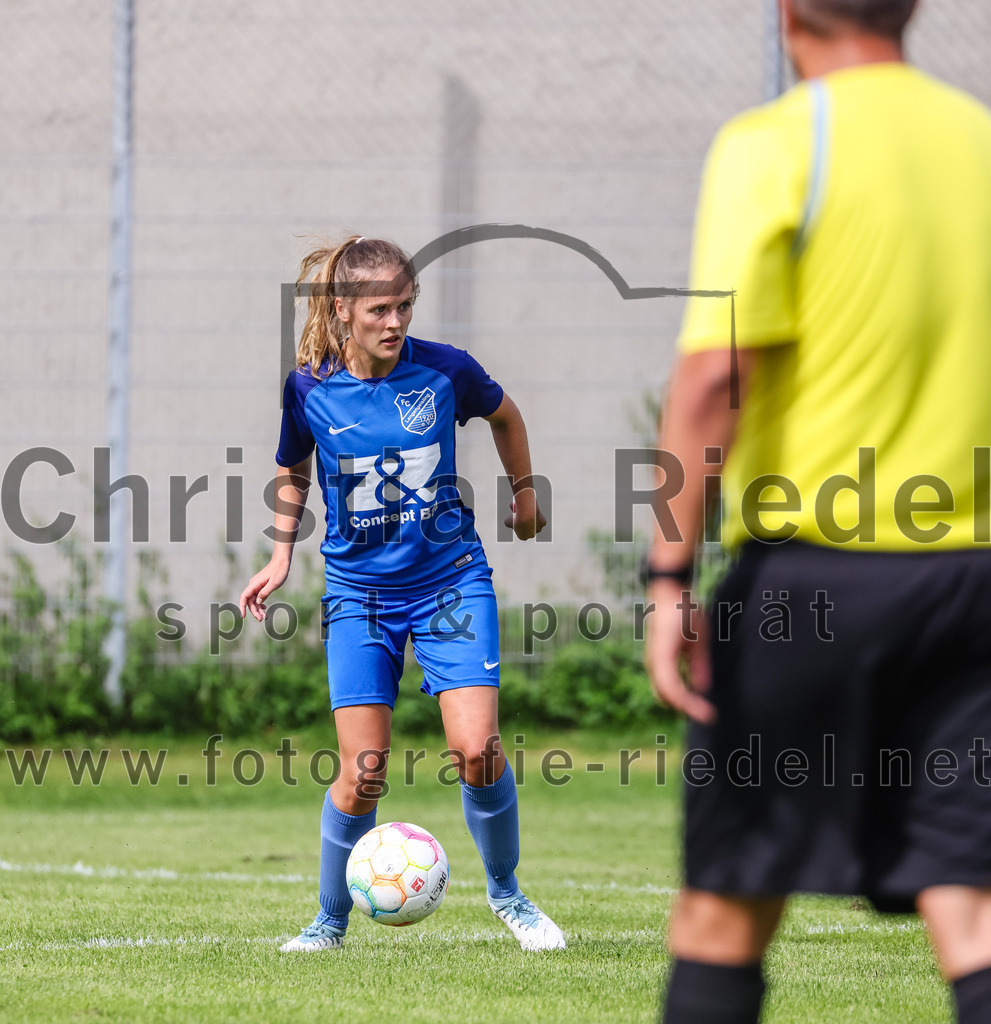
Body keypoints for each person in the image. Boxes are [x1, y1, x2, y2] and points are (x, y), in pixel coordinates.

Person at [644, 0, 991, 1020]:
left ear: (789, 9)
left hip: (815, 582)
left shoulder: (781, 141)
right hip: (974, 582)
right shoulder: (978, 141)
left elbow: (717, 372)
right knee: (972, 909)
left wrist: (667, 577)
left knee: (726, 903)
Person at [239, 235, 566, 953]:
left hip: (451, 582)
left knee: (476, 749)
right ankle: (328, 924)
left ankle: (509, 896)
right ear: (342, 310)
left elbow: (506, 416)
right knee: (363, 775)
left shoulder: (446, 371)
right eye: (380, 310)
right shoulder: (308, 387)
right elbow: (292, 467)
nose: (395, 322)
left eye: (405, 307)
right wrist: (280, 553)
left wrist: (524, 496)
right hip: (360, 594)